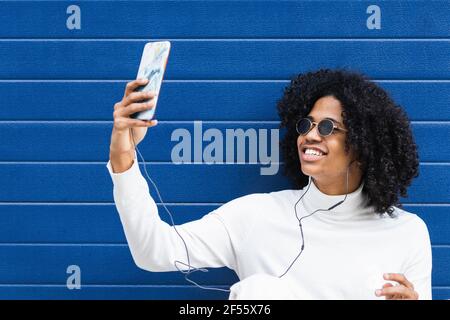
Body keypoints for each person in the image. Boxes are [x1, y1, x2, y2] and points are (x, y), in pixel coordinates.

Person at [107, 69, 432, 300]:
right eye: (306, 124)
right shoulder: (256, 215)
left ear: (364, 144)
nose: (310, 135)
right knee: (260, 290)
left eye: (329, 127)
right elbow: (154, 252)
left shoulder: (407, 232)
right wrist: (123, 158)